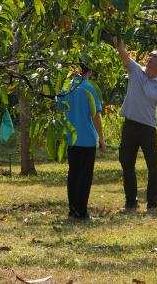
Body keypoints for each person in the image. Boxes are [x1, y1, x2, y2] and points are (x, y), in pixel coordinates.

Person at [112, 37, 157, 211]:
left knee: (153, 166)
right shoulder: (135, 70)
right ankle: (131, 202)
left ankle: (152, 204)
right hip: (130, 126)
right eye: (150, 55)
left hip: (148, 129)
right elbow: (123, 53)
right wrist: (119, 39)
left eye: (155, 56)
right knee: (127, 163)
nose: (150, 58)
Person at [56, 63, 106, 219]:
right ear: (88, 71)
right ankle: (81, 210)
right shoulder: (89, 88)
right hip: (87, 139)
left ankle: (73, 209)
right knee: (85, 176)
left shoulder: (66, 88)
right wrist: (102, 139)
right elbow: (96, 116)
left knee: (73, 174)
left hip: (71, 138)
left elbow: (59, 107)